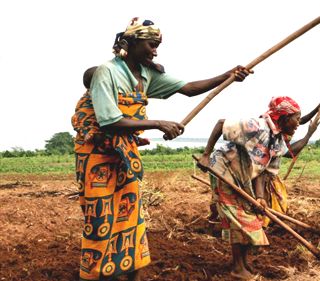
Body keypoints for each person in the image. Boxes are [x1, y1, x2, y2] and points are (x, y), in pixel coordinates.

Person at [71, 17, 252, 281]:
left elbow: (189, 89)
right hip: (97, 157)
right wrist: (158, 123)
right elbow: (110, 120)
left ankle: (126, 272)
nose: (155, 50)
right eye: (151, 44)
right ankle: (98, 274)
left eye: (157, 45)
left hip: (124, 155)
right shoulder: (106, 72)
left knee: (129, 215)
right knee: (101, 218)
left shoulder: (146, 74)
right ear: (129, 44)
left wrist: (228, 76)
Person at [197, 96, 320, 280]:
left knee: (252, 213)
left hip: (244, 176)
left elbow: (263, 172)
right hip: (224, 170)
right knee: (239, 217)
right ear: (284, 118)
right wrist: (206, 155)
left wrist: (260, 197)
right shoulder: (257, 126)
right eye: (296, 118)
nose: (298, 123)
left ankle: (243, 263)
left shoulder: (277, 141)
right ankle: (237, 269)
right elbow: (221, 123)